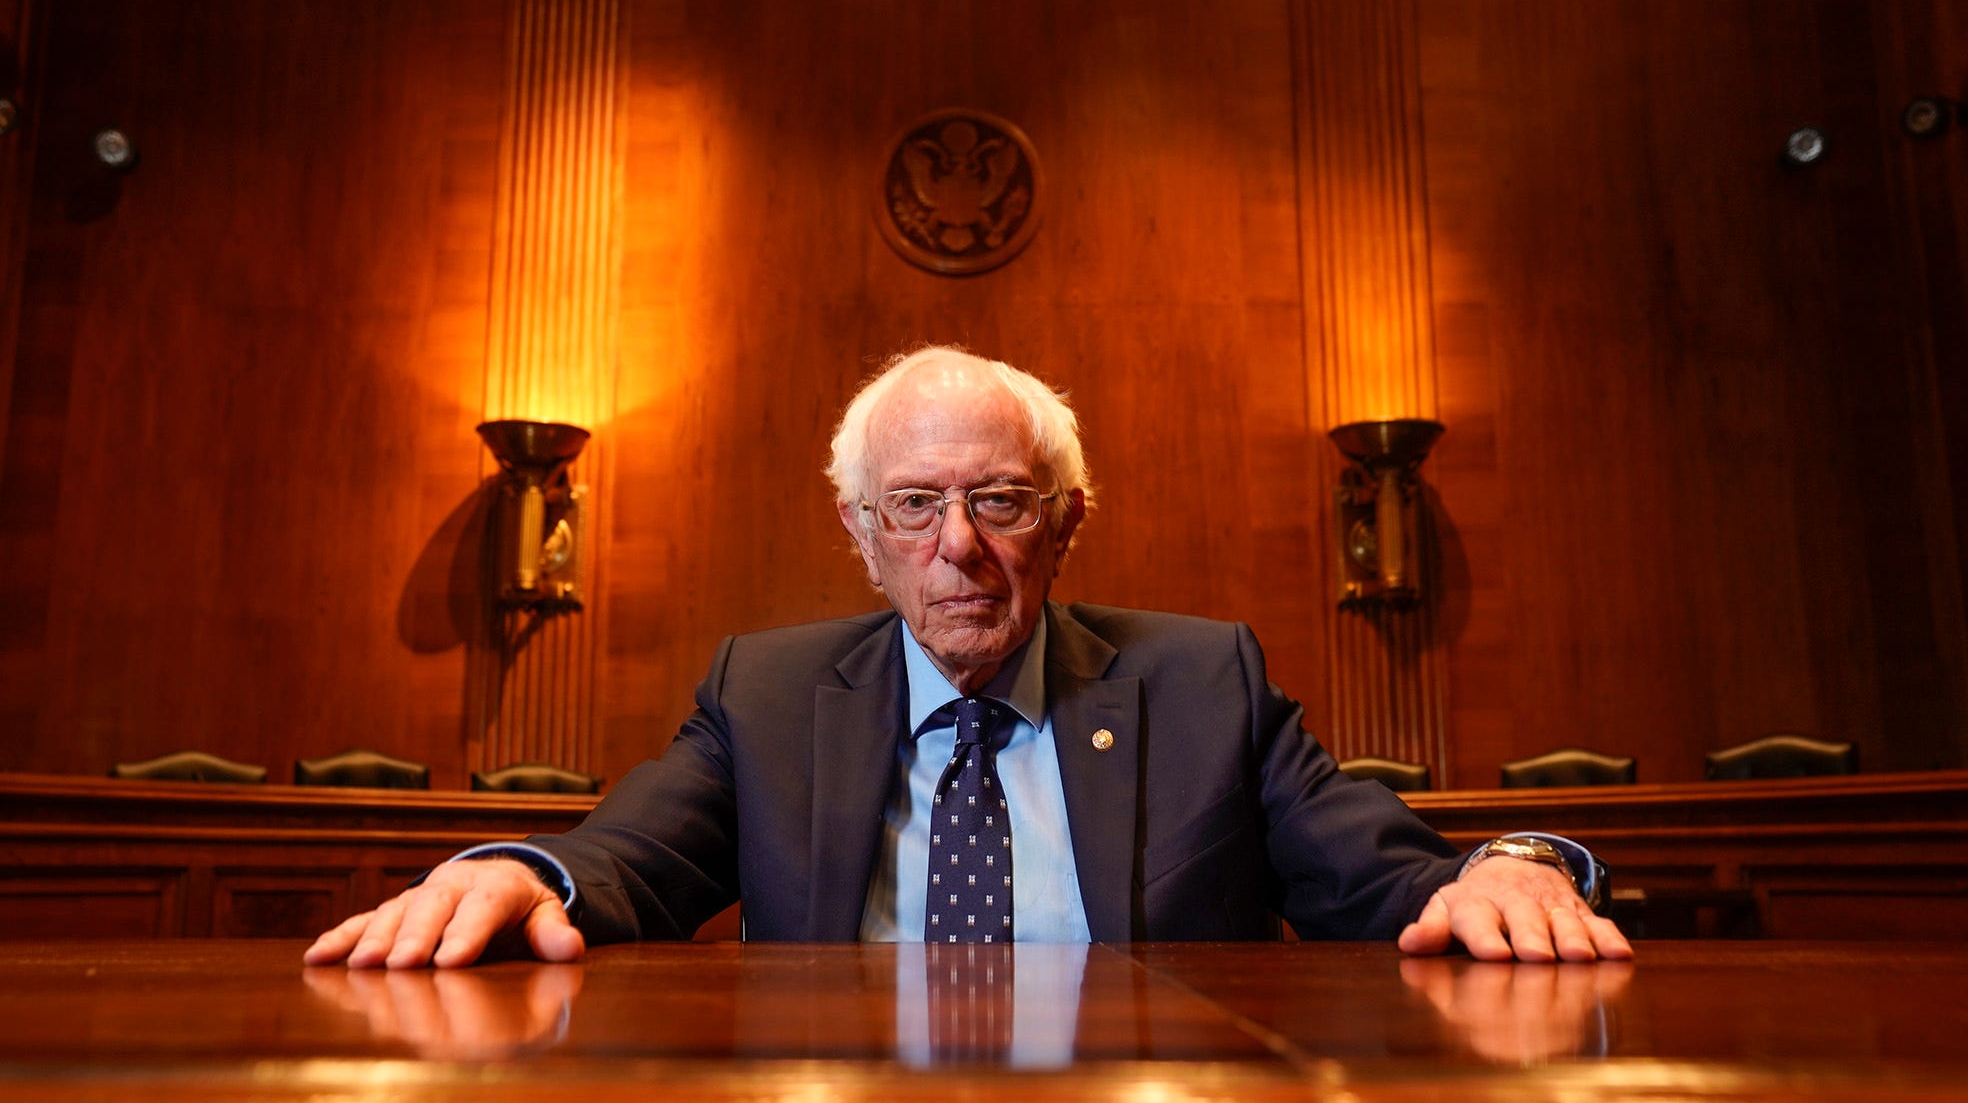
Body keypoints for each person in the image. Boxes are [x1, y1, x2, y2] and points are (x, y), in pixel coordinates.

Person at [307, 347, 1631, 970]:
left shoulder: (1201, 680)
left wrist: (1512, 868)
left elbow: (1387, 870)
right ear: (860, 536)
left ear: (1064, 524)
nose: (957, 549)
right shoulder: (766, 694)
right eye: (913, 508)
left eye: (999, 503)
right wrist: (507, 867)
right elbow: (627, 855)